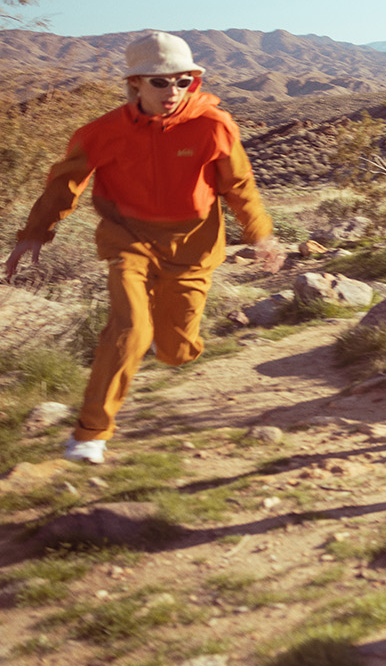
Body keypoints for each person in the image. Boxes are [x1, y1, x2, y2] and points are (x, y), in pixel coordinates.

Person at [6, 31, 284, 464]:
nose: (172, 91)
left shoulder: (214, 125)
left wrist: (261, 233)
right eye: (159, 82)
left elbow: (239, 185)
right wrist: (34, 233)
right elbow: (64, 185)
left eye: (183, 81)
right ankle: (90, 434)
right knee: (127, 328)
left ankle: (166, 340)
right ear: (135, 82)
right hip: (129, 239)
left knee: (176, 351)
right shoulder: (102, 133)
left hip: (193, 246)